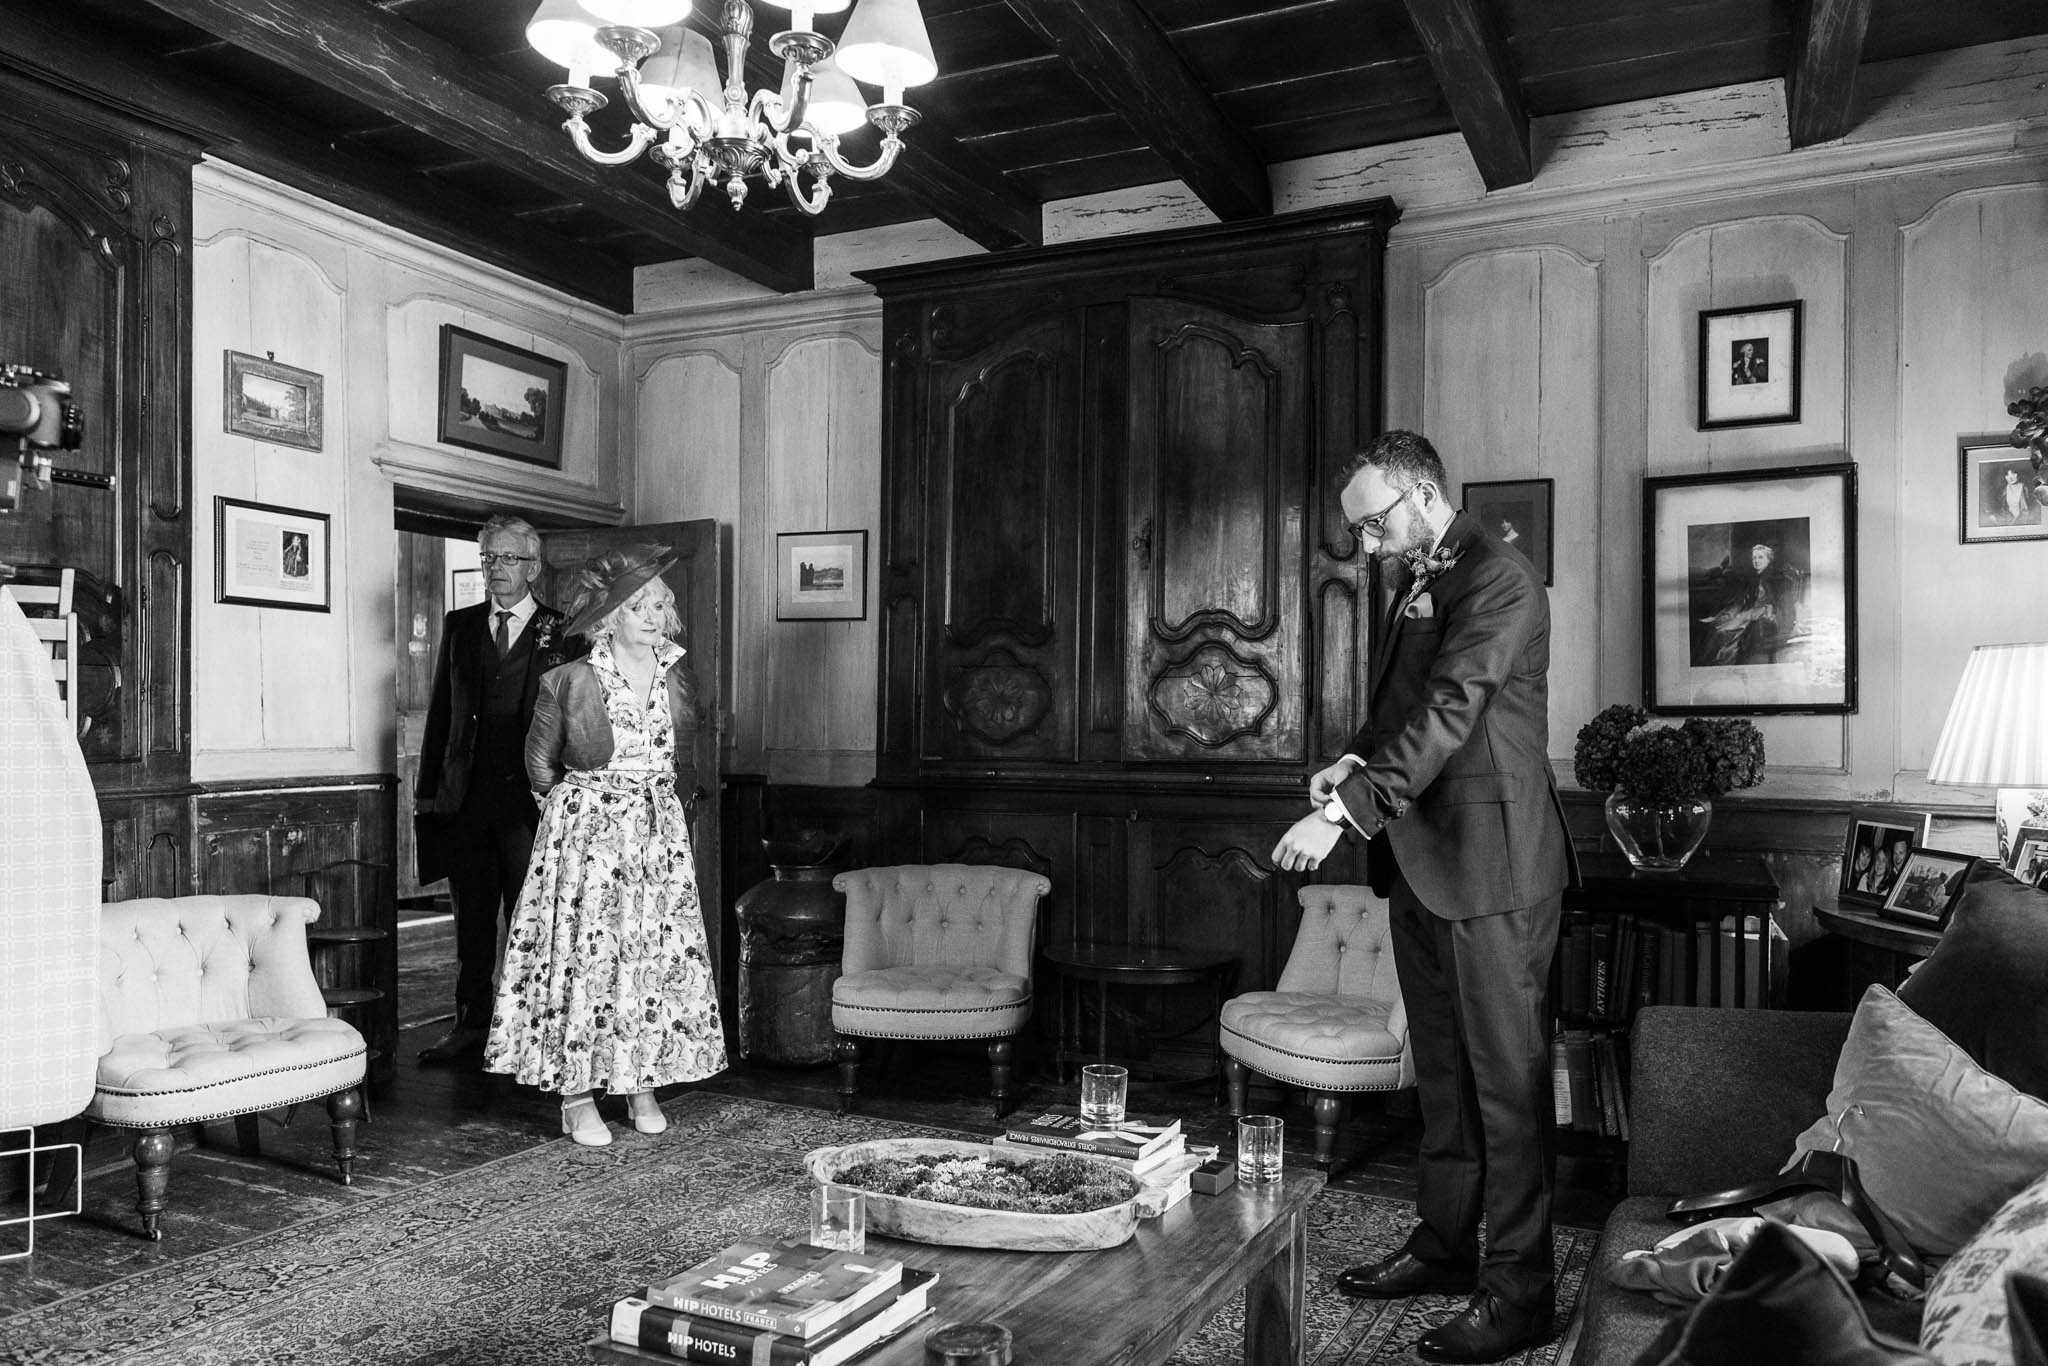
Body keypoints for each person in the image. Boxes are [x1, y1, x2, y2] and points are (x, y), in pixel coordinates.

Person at [1271, 430, 1575, 1363]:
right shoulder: (1422, 573)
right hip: (1424, 862)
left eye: (1374, 523)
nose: (1366, 544)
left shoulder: (1503, 578)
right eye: (1358, 530)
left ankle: (1520, 1293)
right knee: (1444, 1083)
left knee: (1508, 1090)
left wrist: (1344, 816)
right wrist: (1351, 759)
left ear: (1422, 494)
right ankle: (1445, 1250)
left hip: (1497, 869)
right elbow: (1402, 709)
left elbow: (1452, 708)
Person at [484, 547, 727, 1146]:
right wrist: (579, 823)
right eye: (636, 605)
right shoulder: (568, 679)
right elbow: (540, 765)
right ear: (607, 617)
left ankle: (639, 1083)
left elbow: (687, 758)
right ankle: (576, 1095)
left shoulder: (678, 675)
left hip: (656, 836)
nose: (651, 615)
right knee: (587, 962)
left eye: (659, 604)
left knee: (649, 957)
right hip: (589, 835)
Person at [414, 514, 575, 1065]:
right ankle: (469, 1027)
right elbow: (441, 714)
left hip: (531, 807)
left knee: (533, 922)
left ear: (532, 566)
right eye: (489, 558)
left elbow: (575, 721)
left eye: (508, 559)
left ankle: (532, 1032)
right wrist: (428, 794)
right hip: (467, 804)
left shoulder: (560, 631)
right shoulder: (459, 627)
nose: (496, 569)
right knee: (474, 924)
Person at [1697, 542, 1785, 666]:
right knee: (1734, 609)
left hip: (1764, 612)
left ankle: (1722, 630)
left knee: (1727, 627)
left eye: (1760, 557)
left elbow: (1775, 603)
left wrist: (1765, 610)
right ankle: (1718, 619)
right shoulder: (1755, 578)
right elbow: (1748, 600)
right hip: (1752, 610)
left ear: (1769, 560)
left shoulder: (1772, 578)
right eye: (1754, 558)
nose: (1756, 561)